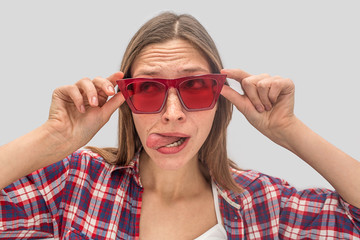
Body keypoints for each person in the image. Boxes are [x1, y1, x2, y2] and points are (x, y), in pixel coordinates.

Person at [0, 11, 359, 240]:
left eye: (196, 86)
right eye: (148, 89)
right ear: (125, 103)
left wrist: (289, 129)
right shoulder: (75, 184)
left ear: (220, 99)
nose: (172, 113)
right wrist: (53, 136)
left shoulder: (262, 204)